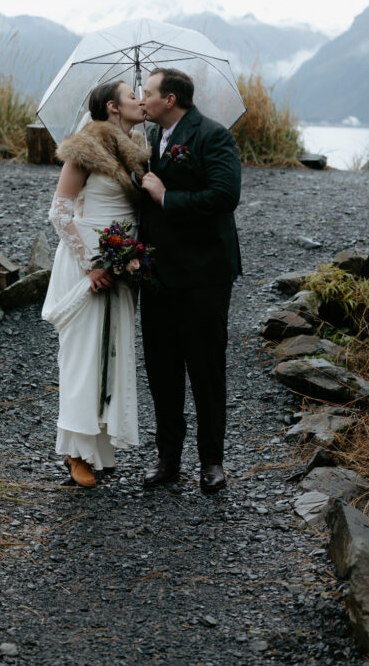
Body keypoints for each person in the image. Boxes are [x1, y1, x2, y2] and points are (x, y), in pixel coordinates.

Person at [139, 67, 241, 494]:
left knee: (205, 370)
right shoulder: (148, 141)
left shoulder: (213, 136)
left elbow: (224, 195)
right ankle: (168, 460)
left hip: (203, 275)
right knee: (162, 371)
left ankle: (212, 462)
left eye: (148, 93)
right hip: (157, 276)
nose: (142, 100)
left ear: (171, 99)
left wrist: (166, 197)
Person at [42, 81, 147, 488]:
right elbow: (60, 211)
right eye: (132, 95)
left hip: (122, 261)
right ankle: (74, 453)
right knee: (83, 355)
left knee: (113, 350)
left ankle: (100, 449)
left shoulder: (138, 149)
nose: (140, 100)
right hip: (88, 258)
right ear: (112, 107)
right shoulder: (84, 147)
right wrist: (90, 264)